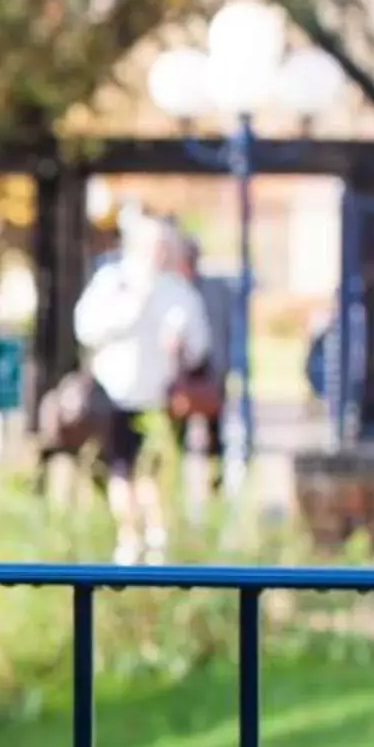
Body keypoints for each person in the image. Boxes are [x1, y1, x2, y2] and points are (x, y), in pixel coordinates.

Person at [73, 209, 213, 561]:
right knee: (120, 469)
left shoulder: (178, 291)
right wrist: (130, 311)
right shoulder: (112, 281)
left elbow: (199, 345)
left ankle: (156, 539)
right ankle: (128, 538)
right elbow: (87, 328)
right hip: (115, 391)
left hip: (159, 396)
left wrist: (180, 342)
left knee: (153, 470)